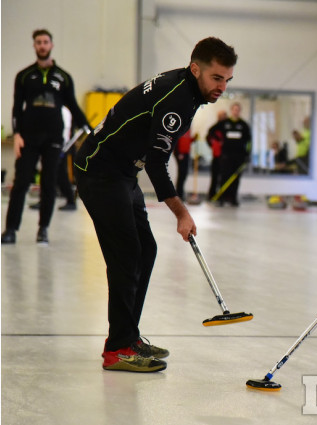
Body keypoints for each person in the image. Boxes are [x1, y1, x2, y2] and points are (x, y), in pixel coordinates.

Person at [73, 36, 237, 373]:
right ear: (196, 69)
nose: (222, 87)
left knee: (145, 250)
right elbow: (157, 163)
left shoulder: (186, 88)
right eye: (216, 78)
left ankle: (128, 336)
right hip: (101, 172)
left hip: (122, 172)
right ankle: (117, 349)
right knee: (126, 255)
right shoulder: (178, 98)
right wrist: (182, 213)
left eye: (227, 80)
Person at [1, 29, 89, 244]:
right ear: (34, 46)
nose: (42, 45)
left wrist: (90, 129)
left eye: (45, 42)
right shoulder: (24, 76)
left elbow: (74, 107)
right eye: (38, 42)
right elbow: (16, 108)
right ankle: (11, 229)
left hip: (54, 138)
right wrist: (18, 135)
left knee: (49, 184)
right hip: (28, 138)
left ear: (51, 45)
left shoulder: (63, 77)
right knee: (21, 183)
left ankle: (43, 229)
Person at [216, 102, 251, 206]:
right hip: (226, 155)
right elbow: (211, 132)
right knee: (224, 177)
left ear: (240, 111)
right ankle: (221, 198)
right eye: (234, 110)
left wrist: (247, 154)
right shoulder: (224, 123)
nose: (236, 112)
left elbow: (249, 141)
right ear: (231, 111)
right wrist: (218, 143)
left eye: (238, 110)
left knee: (236, 178)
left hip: (239, 156)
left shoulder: (244, 125)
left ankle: (233, 198)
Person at [206, 110, 227, 200]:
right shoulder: (214, 128)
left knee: (224, 177)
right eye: (220, 115)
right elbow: (208, 136)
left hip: (225, 156)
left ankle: (223, 195)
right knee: (215, 176)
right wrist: (213, 145)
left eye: (223, 115)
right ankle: (212, 194)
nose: (222, 117)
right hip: (216, 156)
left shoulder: (227, 126)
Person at [173, 128, 198, 200]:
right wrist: (178, 153)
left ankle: (181, 193)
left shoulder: (188, 130)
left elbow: (188, 141)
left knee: (184, 174)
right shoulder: (181, 129)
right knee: (181, 173)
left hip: (186, 153)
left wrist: (194, 139)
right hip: (181, 154)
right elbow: (176, 141)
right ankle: (179, 194)